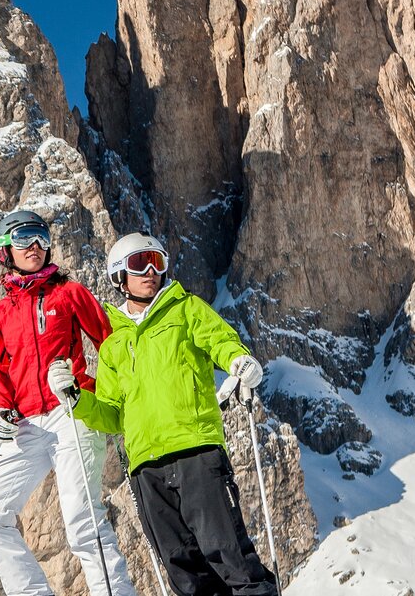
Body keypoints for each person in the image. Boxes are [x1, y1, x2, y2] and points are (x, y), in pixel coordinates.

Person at [52, 232, 277, 596]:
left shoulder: (186, 309)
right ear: (119, 275)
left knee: (231, 557)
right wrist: (77, 399)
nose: (151, 271)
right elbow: (112, 415)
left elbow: (220, 341)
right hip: (146, 468)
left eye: (157, 262)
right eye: (140, 264)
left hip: (196, 452)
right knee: (185, 574)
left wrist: (238, 360)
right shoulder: (113, 345)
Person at [0, 209, 136, 596]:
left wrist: (99, 395)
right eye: (24, 237)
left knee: (82, 521)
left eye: (42, 238)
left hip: (71, 413)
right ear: (4, 250)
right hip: (25, 424)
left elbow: (111, 345)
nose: (35, 245)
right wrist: (0, 410)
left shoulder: (69, 294)